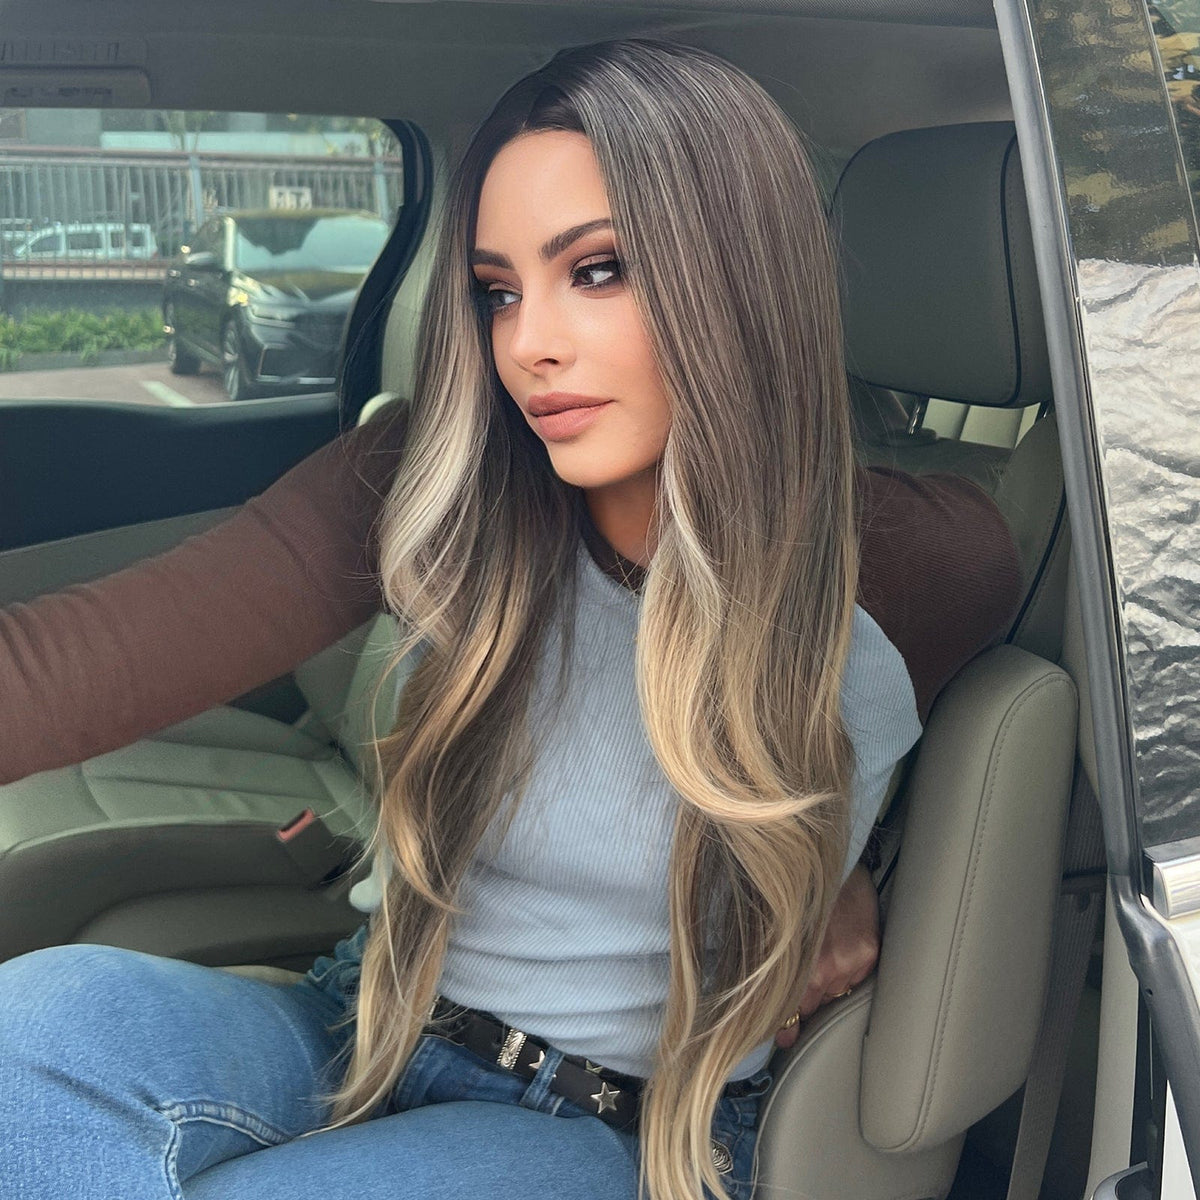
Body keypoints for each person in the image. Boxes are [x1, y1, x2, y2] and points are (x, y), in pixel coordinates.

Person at [0, 39, 1021, 1200]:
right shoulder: (443, 483)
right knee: (33, 1029)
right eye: (499, 290)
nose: (529, 342)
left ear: (740, 279)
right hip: (371, 1014)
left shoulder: (913, 564)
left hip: (621, 1124)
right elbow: (73, 666)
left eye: (599, 269)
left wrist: (841, 867)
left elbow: (905, 763)